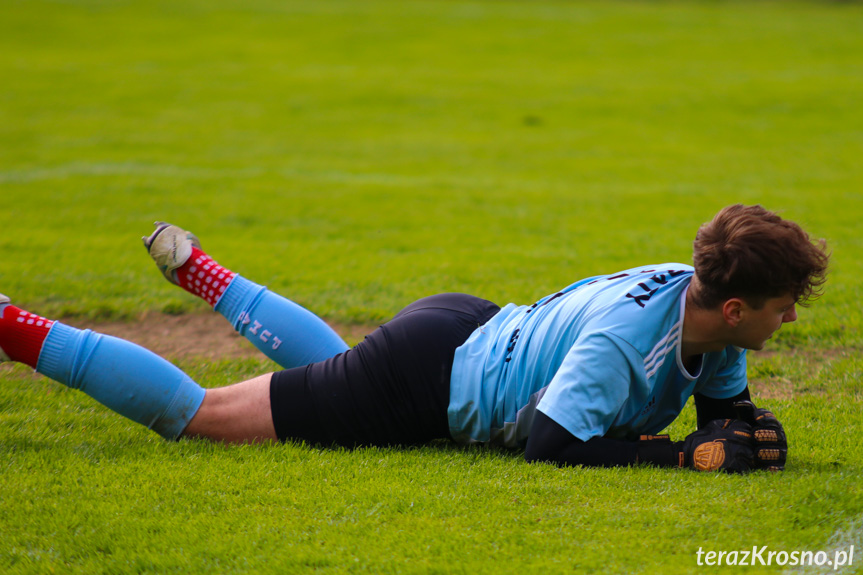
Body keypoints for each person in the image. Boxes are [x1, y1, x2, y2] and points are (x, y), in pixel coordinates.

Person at [0, 204, 829, 472]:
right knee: (202, 415)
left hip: (467, 326)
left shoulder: (710, 311)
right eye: (784, 303)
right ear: (734, 306)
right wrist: (680, 457)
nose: (790, 316)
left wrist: (736, 430)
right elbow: (549, 442)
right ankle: (13, 323)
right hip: (427, 376)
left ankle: (209, 277)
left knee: (331, 370)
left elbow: (723, 400)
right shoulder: (625, 343)